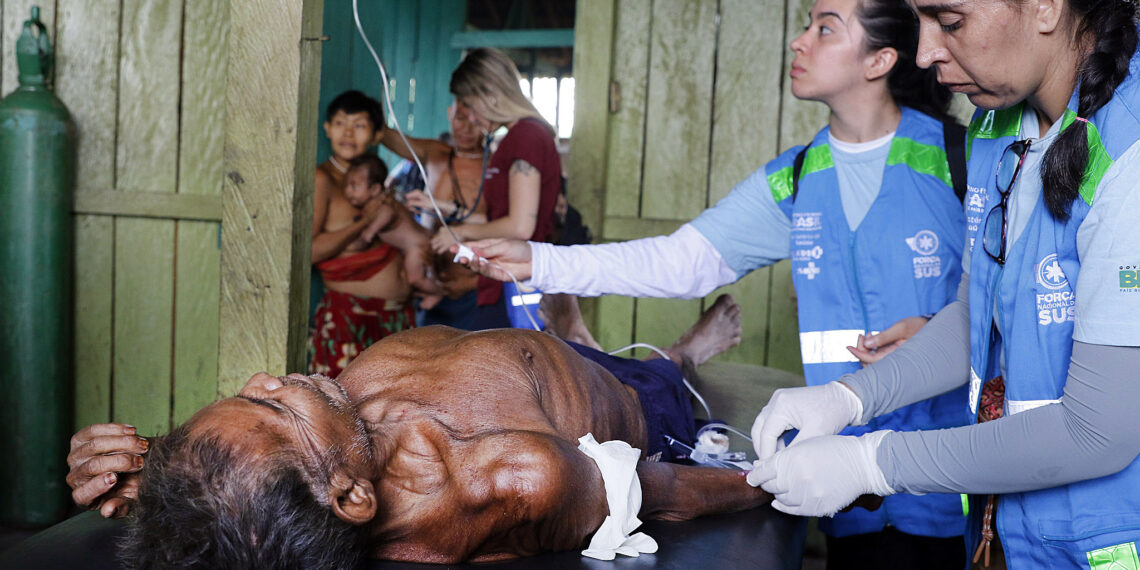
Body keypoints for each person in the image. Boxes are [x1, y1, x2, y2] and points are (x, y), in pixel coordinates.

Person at [460, 0, 970, 566]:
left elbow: (1012, 309)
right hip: (839, 479)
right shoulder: (799, 177)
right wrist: (541, 260)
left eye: (825, 29)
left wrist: (937, 330)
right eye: (806, 25)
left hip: (943, 472)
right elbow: (682, 262)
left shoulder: (957, 160)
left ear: (880, 60)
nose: (800, 42)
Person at [745, 1, 1140, 568]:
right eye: (920, 22)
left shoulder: (1129, 149)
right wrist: (852, 398)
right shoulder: (994, 124)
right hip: (1004, 537)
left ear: (1047, 8)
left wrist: (873, 462)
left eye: (951, 21)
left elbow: (1098, 430)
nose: (925, 52)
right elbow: (976, 316)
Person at [64, 297, 776, 568]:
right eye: (278, 409)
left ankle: (573, 330)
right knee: (656, 375)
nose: (266, 380)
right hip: (614, 399)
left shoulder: (301, 470)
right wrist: (790, 483)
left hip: (481, 352)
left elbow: (249, 475)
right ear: (350, 499)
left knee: (561, 338)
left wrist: (167, 474)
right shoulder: (517, 474)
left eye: (252, 399)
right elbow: (667, 489)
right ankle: (683, 351)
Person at [434, 48, 564, 330]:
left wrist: (461, 232)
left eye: (469, 104)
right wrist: (452, 217)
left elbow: (519, 227)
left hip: (517, 282)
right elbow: (503, 215)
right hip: (503, 278)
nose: (470, 117)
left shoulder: (526, 136)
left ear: (490, 95)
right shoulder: (515, 138)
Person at [310, 91, 416, 377]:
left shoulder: (377, 180)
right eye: (341, 123)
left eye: (359, 125)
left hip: (394, 316)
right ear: (327, 128)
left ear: (376, 134)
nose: (348, 132)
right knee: (344, 409)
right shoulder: (324, 179)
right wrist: (361, 223)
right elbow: (310, 251)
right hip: (350, 318)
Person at [378, 103, 490, 329]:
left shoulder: (497, 166)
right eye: (460, 118)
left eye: (477, 121)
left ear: (490, 122)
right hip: (434, 283)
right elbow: (383, 134)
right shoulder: (436, 154)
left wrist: (474, 283)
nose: (467, 129)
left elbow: (509, 228)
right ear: (449, 114)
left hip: (476, 291)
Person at [341, 154, 443, 307]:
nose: (348, 191)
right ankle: (428, 290)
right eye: (346, 185)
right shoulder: (374, 202)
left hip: (417, 246)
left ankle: (439, 292)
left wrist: (370, 232)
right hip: (417, 244)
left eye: (354, 186)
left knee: (415, 278)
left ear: (375, 189)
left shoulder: (382, 203)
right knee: (422, 275)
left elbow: (387, 214)